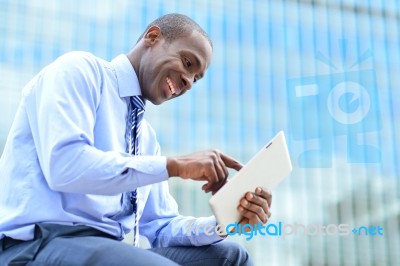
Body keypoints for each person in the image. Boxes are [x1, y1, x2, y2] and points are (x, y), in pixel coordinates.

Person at [0, 13, 272, 265]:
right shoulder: (80, 71)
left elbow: (161, 226)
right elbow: (65, 166)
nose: (189, 82)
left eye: (195, 79)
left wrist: (226, 219)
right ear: (152, 38)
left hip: (108, 249)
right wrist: (173, 166)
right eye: (188, 63)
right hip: (37, 244)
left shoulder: (147, 139)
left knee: (231, 256)